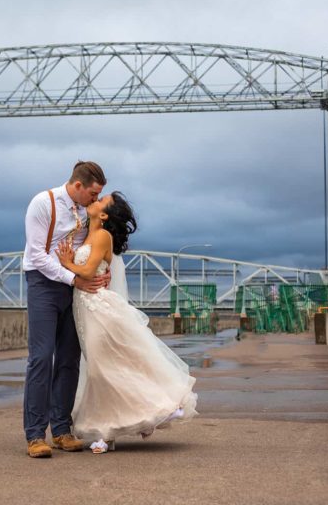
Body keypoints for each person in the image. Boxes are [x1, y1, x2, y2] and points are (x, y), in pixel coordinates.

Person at [56, 192, 198, 454]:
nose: (94, 201)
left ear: (104, 215)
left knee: (101, 370)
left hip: (98, 308)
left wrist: (66, 263)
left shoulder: (102, 236)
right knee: (100, 369)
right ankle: (107, 432)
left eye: (100, 201)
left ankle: (139, 416)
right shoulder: (87, 234)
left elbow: (87, 272)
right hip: (84, 309)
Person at [22, 161, 110, 458]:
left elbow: (90, 249)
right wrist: (73, 277)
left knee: (70, 358)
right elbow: (37, 254)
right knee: (42, 357)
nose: (95, 200)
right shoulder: (42, 203)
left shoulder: (87, 211)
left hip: (74, 285)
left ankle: (61, 430)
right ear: (77, 186)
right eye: (93, 193)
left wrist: (99, 271)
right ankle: (35, 435)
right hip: (43, 283)